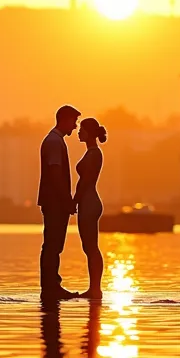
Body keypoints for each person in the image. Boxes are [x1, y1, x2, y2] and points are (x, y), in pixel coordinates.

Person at [38, 105, 82, 299]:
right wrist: (67, 200)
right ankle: (51, 288)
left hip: (54, 201)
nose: (75, 127)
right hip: (55, 202)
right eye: (73, 122)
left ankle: (50, 286)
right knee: (53, 245)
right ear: (64, 120)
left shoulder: (54, 140)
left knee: (52, 244)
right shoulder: (55, 142)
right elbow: (55, 173)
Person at [74, 118, 107, 299]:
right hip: (86, 202)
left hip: (89, 202)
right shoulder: (91, 153)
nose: (79, 132)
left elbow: (85, 181)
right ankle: (93, 288)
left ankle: (96, 289)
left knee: (91, 247)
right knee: (89, 247)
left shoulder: (94, 154)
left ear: (89, 132)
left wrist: (74, 200)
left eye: (81, 129)